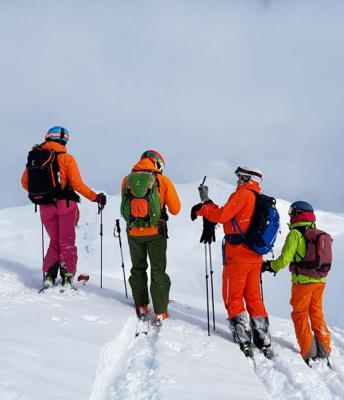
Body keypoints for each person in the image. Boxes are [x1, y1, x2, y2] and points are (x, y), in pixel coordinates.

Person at [191, 166, 272, 357]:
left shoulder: (242, 194)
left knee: (233, 296)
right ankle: (263, 339)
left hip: (237, 255)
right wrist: (208, 202)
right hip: (255, 255)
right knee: (254, 297)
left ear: (246, 179)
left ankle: (243, 338)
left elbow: (222, 216)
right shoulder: (258, 198)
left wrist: (203, 208)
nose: (237, 182)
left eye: (239, 178)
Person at [21, 126, 106, 288]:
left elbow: (25, 183)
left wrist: (44, 195)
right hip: (65, 205)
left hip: (45, 206)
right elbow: (78, 185)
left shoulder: (35, 157)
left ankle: (49, 275)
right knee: (66, 241)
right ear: (64, 140)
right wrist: (96, 198)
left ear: (47, 137)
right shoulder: (67, 158)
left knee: (55, 240)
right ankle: (67, 275)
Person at [262, 201, 331, 366]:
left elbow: (284, 259)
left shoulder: (295, 234)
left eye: (291, 212)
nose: (290, 215)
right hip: (320, 281)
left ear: (297, 214)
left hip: (302, 282)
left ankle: (309, 352)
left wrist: (269, 266)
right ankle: (324, 351)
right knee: (316, 314)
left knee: (300, 314)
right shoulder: (316, 232)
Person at [121, 150, 181, 325]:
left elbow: (126, 204)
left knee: (138, 268)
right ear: (157, 163)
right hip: (156, 233)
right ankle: (161, 311)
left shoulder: (127, 179)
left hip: (133, 232)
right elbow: (176, 209)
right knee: (158, 270)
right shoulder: (162, 180)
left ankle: (141, 305)